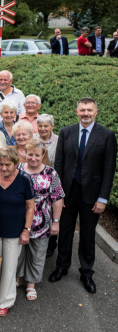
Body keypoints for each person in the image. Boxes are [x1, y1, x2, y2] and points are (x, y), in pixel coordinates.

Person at [49, 98, 117, 294]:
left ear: (96, 112)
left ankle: (86, 272)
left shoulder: (106, 135)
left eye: (89, 110)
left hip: (92, 195)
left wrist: (103, 198)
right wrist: (58, 195)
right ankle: (62, 266)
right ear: (76, 111)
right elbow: (59, 165)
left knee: (87, 236)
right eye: (82, 110)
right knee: (65, 232)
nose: (85, 113)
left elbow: (108, 169)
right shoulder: (66, 132)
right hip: (68, 193)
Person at [0, 147, 34, 317]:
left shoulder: (23, 180)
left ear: (16, 164)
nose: (4, 168)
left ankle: (5, 301)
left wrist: (26, 230)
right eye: (1, 164)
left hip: (15, 231)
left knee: (9, 267)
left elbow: (30, 206)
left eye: (8, 164)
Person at [17, 139, 64, 301]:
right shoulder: (18, 169)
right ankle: (18, 277)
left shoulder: (51, 173)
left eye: (37, 155)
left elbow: (58, 198)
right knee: (19, 252)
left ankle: (31, 283)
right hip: (19, 219)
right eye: (30, 154)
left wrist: (56, 221)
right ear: (25, 154)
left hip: (41, 221)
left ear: (43, 154)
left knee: (37, 252)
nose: (33, 158)